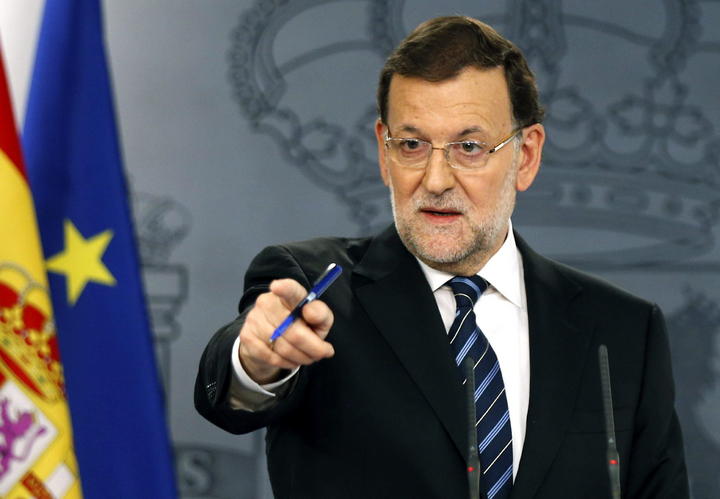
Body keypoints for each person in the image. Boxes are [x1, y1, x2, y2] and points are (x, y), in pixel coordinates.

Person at [195, 16, 689, 499]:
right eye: (412, 145)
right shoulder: (315, 290)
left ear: (526, 156)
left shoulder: (624, 329)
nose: (435, 180)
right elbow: (233, 394)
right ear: (383, 151)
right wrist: (255, 362)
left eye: (469, 147)